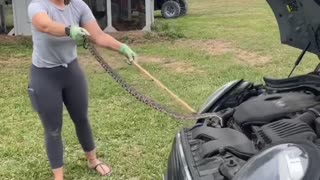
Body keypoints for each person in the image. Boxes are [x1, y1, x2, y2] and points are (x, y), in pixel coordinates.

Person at [27, 0, 137, 179]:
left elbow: (98, 36)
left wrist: (122, 48)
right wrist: (69, 30)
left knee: (81, 118)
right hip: (44, 75)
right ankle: (59, 176)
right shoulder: (38, 5)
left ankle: (93, 160)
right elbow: (45, 25)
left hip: (71, 72)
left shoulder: (78, 6)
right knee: (53, 128)